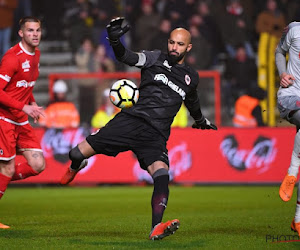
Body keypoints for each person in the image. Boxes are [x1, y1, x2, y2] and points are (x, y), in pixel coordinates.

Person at [60, 17, 217, 240]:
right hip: (131, 121)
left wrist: (200, 120)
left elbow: (192, 101)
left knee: (162, 174)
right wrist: (115, 40)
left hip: (156, 135)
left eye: (180, 44)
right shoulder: (154, 58)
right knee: (75, 153)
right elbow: (127, 56)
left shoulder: (191, 77)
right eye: (172, 42)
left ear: (188, 47)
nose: (174, 47)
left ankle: (156, 227)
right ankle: (77, 165)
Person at [0, 16, 45, 229]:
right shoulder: (12, 58)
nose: (35, 34)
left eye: (37, 30)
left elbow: (25, 86)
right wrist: (24, 107)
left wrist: (32, 105)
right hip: (4, 119)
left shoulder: (36, 54)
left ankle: (3, 175)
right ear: (21, 33)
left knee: (38, 165)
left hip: (21, 119)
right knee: (7, 169)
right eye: (30, 30)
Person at [276, 21, 300, 236]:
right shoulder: (295, 30)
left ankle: (298, 220)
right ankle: (292, 172)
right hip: (290, 97)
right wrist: (282, 73)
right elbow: (278, 51)